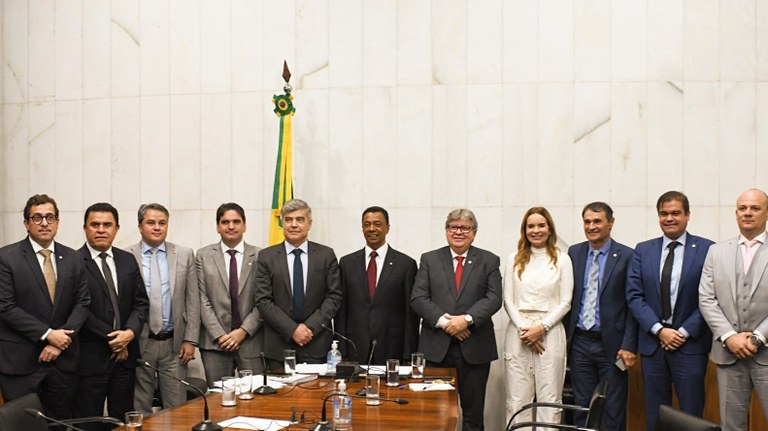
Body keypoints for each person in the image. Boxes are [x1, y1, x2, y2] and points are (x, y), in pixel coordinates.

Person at [626, 191, 713, 431]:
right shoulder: (643, 250)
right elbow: (634, 296)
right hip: (654, 347)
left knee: (692, 415)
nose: (669, 218)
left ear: (687, 215)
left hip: (690, 346)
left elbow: (709, 297)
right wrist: (659, 330)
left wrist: (683, 332)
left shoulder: (707, 249)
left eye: (675, 213)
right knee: (655, 414)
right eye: (664, 214)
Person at [411, 209, 502, 431]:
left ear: (474, 233)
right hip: (436, 351)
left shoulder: (489, 260)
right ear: (446, 231)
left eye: (465, 228)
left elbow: (494, 298)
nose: (458, 232)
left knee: (472, 417)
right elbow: (418, 298)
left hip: (475, 349)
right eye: (453, 227)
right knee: (435, 414)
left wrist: (467, 320)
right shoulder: (430, 259)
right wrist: (448, 324)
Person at [0, 194, 90, 419]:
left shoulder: (73, 258)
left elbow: (82, 302)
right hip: (21, 364)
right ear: (26, 223)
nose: (44, 223)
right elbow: (5, 307)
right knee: (23, 426)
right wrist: (48, 335)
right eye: (37, 218)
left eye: (50, 217)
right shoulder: (6, 257)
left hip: (63, 362)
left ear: (58, 221)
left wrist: (61, 342)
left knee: (59, 424)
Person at [73, 202, 149, 428]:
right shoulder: (73, 262)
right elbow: (78, 309)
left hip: (125, 361)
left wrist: (129, 333)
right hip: (91, 359)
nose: (100, 230)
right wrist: (116, 340)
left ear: (117, 228)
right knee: (90, 422)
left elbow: (141, 303)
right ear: (85, 228)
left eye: (107, 225)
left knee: (122, 421)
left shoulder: (126, 259)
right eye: (94, 225)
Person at [699, 188, 768, 431]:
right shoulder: (716, 252)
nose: (747, 213)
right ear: (736, 213)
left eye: (755, 208)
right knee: (731, 426)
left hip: (767, 354)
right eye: (742, 208)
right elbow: (706, 298)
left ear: (766, 213)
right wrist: (729, 337)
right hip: (729, 354)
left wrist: (758, 337)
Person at [565, 202, 637, 430]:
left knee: (612, 408)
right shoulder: (574, 253)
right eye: (587, 221)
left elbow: (632, 305)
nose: (592, 226)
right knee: (582, 407)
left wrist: (629, 345)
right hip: (580, 344)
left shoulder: (627, 256)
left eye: (597, 221)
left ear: (611, 223)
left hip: (613, 347)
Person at [503, 207, 573, 425]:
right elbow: (508, 300)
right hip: (518, 332)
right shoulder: (514, 258)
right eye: (530, 226)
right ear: (524, 230)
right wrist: (526, 331)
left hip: (550, 333)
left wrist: (541, 328)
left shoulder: (563, 259)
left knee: (549, 400)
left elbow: (565, 302)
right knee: (517, 400)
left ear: (549, 228)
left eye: (541, 225)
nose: (536, 230)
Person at [128, 203, 199, 414]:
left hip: (174, 345)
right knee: (139, 406)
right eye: (151, 223)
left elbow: (192, 300)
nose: (157, 227)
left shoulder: (184, 254)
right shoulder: (126, 255)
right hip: (141, 343)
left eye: (162, 223)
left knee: (177, 407)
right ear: (140, 226)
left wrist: (190, 339)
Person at [255, 199, 342, 368]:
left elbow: (334, 296)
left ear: (309, 224)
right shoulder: (267, 257)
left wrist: (309, 328)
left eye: (299, 220)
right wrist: (292, 330)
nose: (294, 225)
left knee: (317, 394)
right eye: (288, 220)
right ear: (282, 223)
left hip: (317, 345)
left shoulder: (326, 255)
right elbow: (263, 300)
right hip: (278, 348)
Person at [336, 206, 419, 363]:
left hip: (392, 348)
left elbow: (411, 314)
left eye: (377, 224)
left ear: (387, 228)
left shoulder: (406, 264)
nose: (372, 229)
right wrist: (341, 350)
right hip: (355, 347)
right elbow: (341, 311)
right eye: (367, 225)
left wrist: (409, 354)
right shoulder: (346, 263)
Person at [196, 202, 263, 386]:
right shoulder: (203, 255)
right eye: (225, 222)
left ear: (245, 226)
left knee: (254, 399)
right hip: (215, 344)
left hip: (251, 341)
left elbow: (264, 300)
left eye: (236, 221)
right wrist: (220, 335)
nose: (231, 226)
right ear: (217, 226)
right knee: (219, 400)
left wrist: (242, 331)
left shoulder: (261, 256)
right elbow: (201, 299)